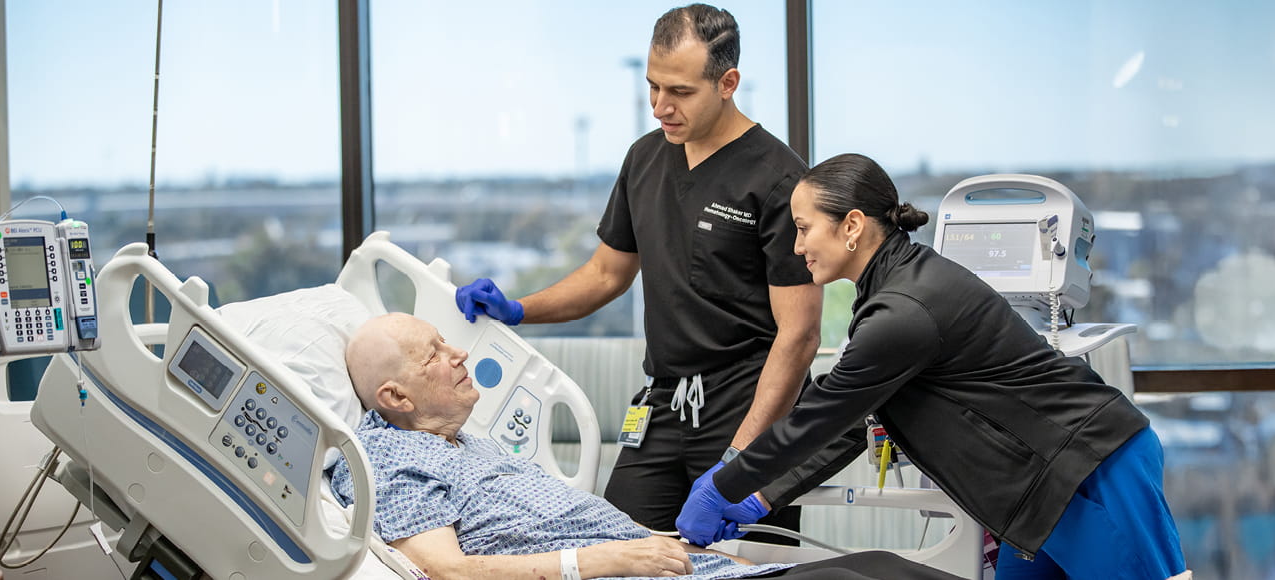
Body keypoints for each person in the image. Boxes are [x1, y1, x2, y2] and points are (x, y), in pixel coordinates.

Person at [675, 154, 1190, 580]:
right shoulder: (890, 294)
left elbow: (819, 419)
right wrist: (762, 497)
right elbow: (857, 421)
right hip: (1034, 494)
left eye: (805, 228)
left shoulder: (905, 310)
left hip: (1090, 472)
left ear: (852, 225)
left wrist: (725, 487)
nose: (797, 245)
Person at [453, 4, 854, 541]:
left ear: (728, 82)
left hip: (746, 400)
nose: (661, 107)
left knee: (737, 569)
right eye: (652, 86)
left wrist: (740, 456)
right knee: (615, 550)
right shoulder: (644, 158)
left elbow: (800, 335)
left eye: (681, 92)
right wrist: (520, 309)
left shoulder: (778, 178)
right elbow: (604, 273)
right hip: (664, 403)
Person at [328, 312, 964, 580]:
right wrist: (603, 561)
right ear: (397, 398)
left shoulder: (465, 440)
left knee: (883, 567)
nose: (459, 353)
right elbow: (450, 571)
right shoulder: (393, 459)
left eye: (447, 340)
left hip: (696, 572)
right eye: (434, 355)